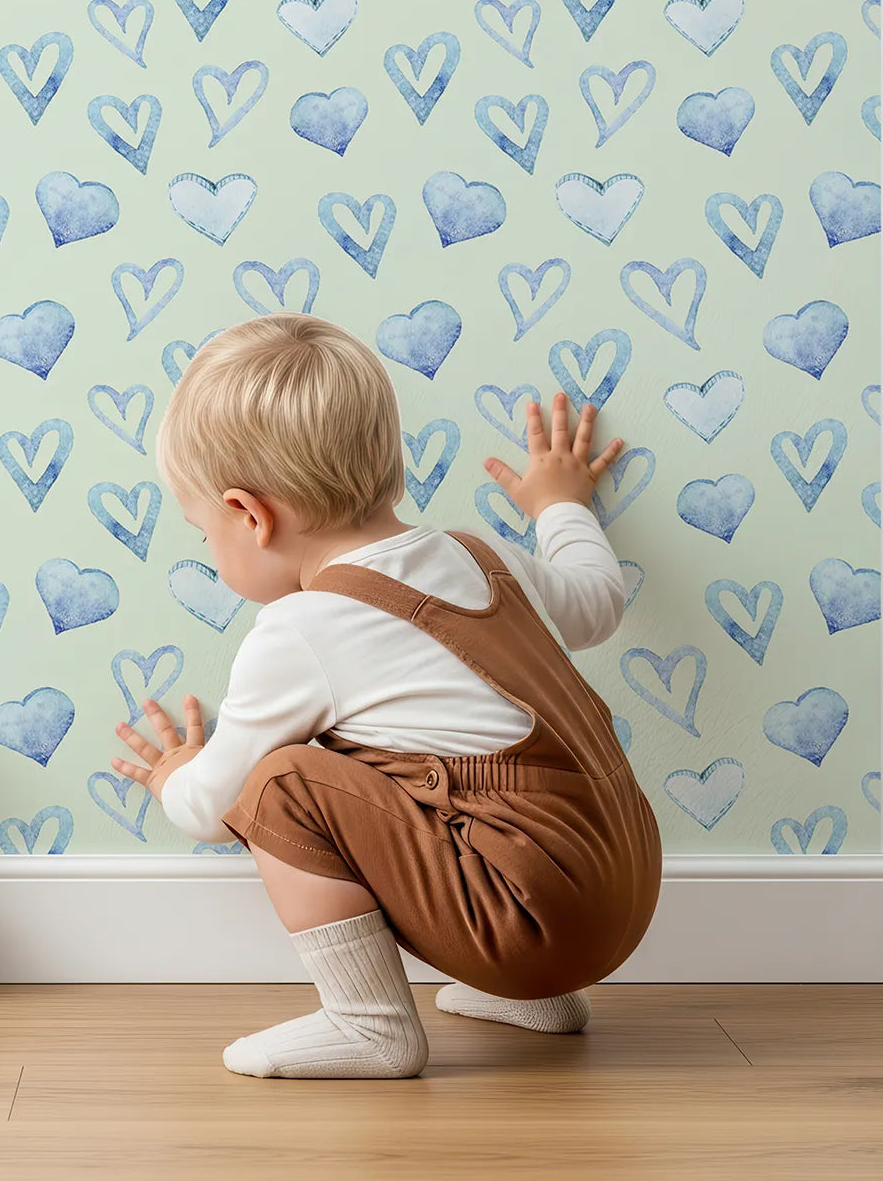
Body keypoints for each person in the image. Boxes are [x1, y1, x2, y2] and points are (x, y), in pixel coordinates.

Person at [112, 314, 661, 1080]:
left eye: (202, 532)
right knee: (419, 780)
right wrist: (557, 506)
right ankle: (539, 996)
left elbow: (212, 808)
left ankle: (368, 1023)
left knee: (282, 783)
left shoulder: (299, 630)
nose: (211, 546)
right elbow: (599, 603)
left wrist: (174, 769)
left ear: (249, 515)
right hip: (624, 889)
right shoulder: (482, 552)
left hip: (531, 918)